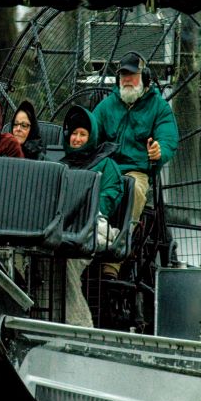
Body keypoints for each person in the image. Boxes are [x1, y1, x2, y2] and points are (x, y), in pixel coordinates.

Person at [92, 51, 179, 278]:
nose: (127, 80)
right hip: (106, 168)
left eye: (132, 75)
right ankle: (87, 242)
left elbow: (168, 138)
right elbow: (89, 132)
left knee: (135, 191)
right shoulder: (107, 106)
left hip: (136, 171)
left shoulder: (158, 107)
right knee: (87, 186)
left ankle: (117, 255)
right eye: (123, 75)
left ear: (145, 78)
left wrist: (159, 151)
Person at [61, 105, 124, 327]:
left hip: (94, 225)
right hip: (63, 228)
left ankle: (79, 323)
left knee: (65, 262)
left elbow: (109, 198)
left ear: (92, 137)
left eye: (83, 134)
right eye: (74, 134)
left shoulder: (107, 165)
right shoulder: (60, 166)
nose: (77, 139)